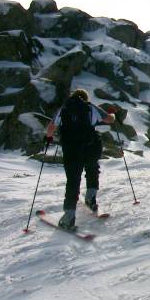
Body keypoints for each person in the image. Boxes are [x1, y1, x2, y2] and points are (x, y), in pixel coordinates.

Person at [45, 89, 116, 230]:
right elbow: (109, 119)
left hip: (71, 150)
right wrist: (113, 115)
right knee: (92, 169)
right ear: (85, 98)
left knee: (73, 180)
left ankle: (69, 217)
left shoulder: (64, 108)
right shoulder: (90, 107)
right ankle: (91, 198)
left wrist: (49, 137)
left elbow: (50, 128)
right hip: (90, 147)